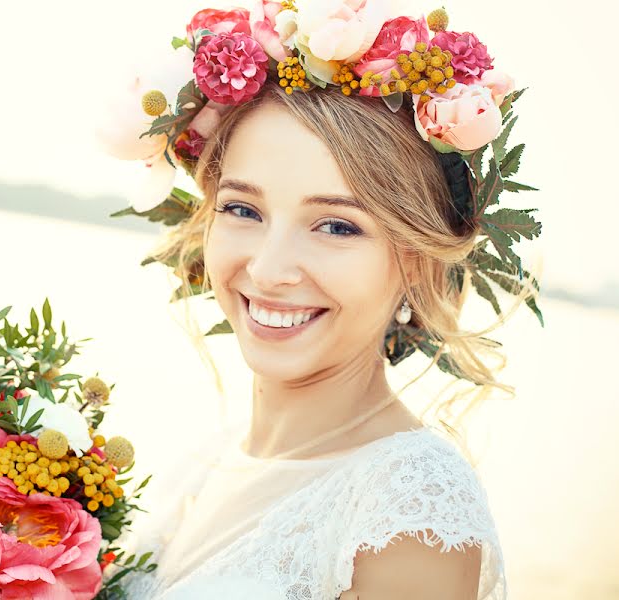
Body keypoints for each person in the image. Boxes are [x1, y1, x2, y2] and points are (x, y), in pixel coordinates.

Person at [94, 4, 541, 598]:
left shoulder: (410, 512)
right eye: (243, 210)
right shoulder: (203, 464)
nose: (269, 269)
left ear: (414, 258)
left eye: (335, 227)